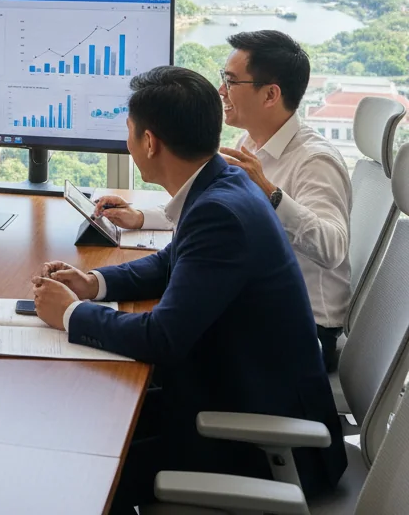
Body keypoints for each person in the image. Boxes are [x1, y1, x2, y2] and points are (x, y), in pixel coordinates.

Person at [31, 66, 346, 514]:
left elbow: (163, 338)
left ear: (149, 142)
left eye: (128, 130)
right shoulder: (222, 183)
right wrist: (94, 283)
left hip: (261, 440)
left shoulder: (221, 212)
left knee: (84, 473)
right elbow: (170, 261)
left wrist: (69, 315)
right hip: (232, 395)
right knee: (87, 429)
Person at [93, 30, 352, 371]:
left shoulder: (314, 160)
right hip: (255, 303)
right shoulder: (250, 143)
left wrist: (273, 195)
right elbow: (208, 206)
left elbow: (333, 248)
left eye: (231, 81)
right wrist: (141, 218)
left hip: (303, 328)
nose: (221, 91)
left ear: (270, 94)